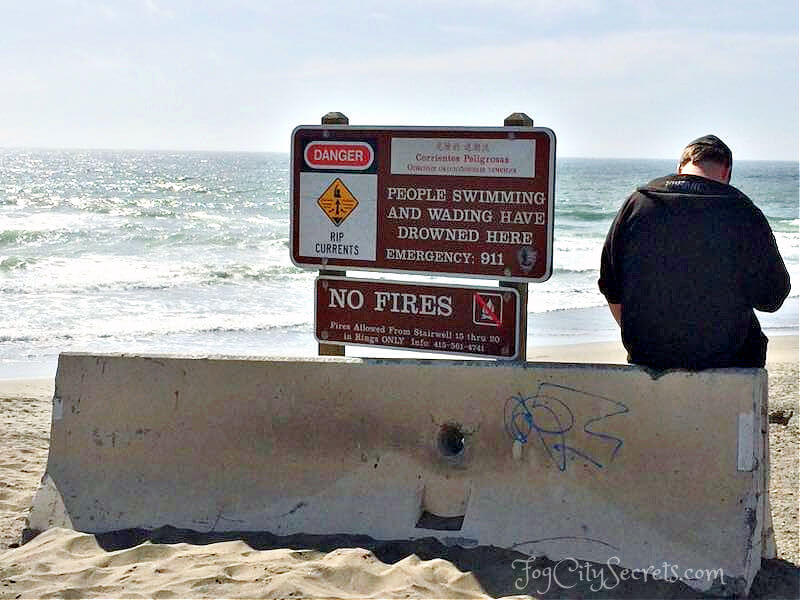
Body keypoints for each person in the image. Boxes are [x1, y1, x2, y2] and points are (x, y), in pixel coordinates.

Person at [598, 135, 790, 370]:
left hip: (648, 358)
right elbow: (772, 297)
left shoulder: (638, 204)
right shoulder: (742, 212)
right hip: (727, 362)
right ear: (725, 173)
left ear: (680, 167)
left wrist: (644, 339)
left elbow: (611, 285)